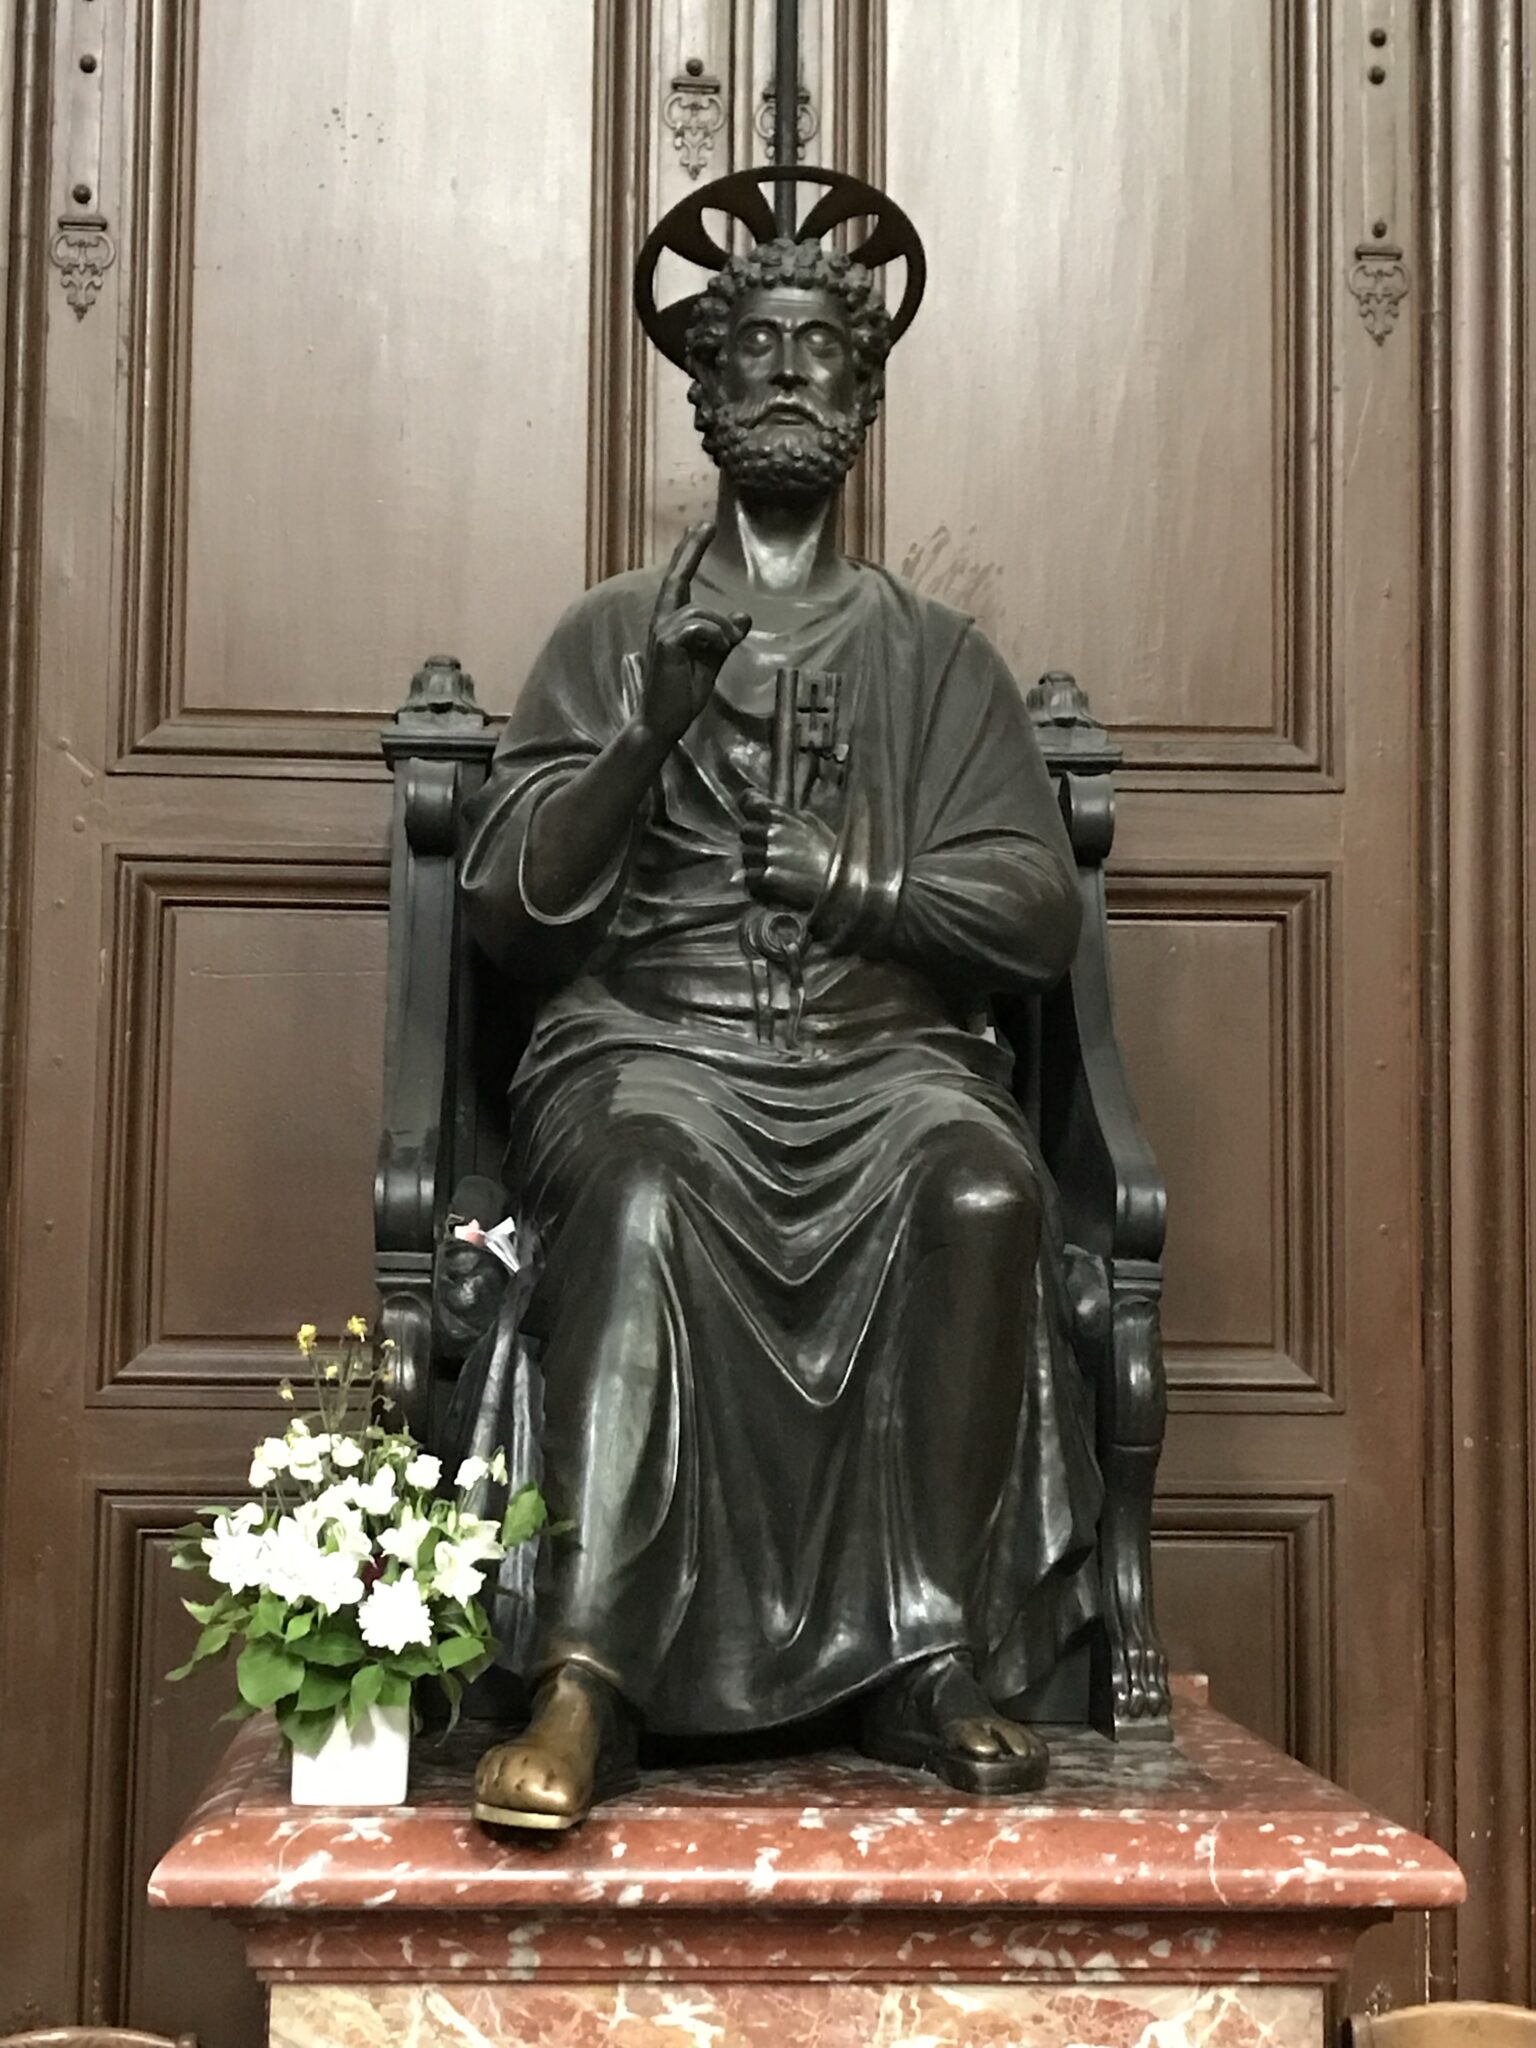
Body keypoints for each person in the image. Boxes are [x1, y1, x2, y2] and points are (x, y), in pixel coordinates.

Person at [458, 216, 1102, 1832]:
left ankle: (928, 1656)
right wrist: (643, 740)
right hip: (652, 1046)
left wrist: (863, 885)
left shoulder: (941, 661)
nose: (793, 374)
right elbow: (511, 912)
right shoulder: (608, 634)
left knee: (982, 1188)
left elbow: (1035, 914)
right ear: (707, 387)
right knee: (645, 1188)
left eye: (826, 347)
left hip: (885, 1063)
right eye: (759, 345)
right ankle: (588, 1676)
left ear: (865, 395)